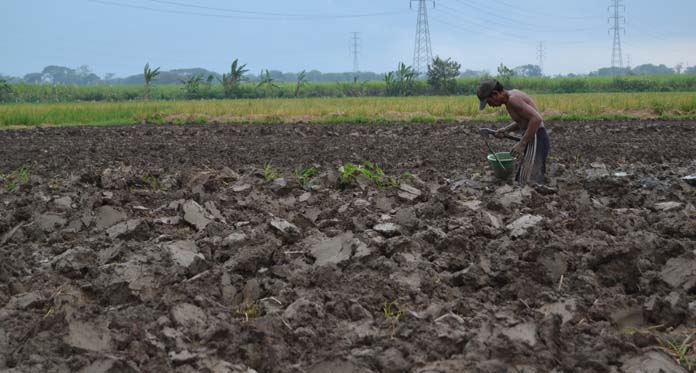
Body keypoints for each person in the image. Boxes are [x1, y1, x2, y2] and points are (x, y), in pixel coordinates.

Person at [477, 79, 550, 185]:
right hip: (533, 138)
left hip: (537, 138)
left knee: (529, 181)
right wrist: (506, 129)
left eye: (489, 102)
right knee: (523, 177)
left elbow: (537, 119)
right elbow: (524, 121)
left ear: (495, 94)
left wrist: (522, 144)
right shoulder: (509, 100)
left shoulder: (513, 99)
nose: (491, 105)